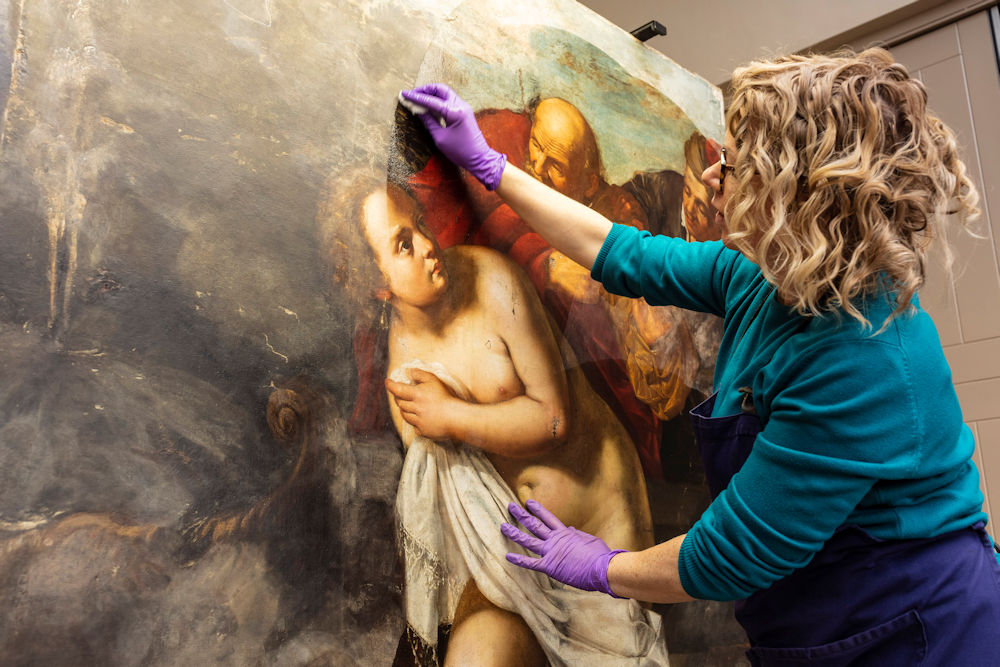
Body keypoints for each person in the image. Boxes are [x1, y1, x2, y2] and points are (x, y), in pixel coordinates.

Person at [401, 47, 1000, 665]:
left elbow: (734, 550)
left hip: (915, 628)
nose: (714, 180)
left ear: (794, 195)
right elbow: (620, 251)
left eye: (734, 169)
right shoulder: (761, 276)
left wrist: (606, 566)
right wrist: (491, 167)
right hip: (812, 618)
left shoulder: (860, 356)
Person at [319, 173, 668, 665]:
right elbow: (447, 496)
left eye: (418, 224)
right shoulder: (398, 364)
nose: (426, 242)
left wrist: (452, 415)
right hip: (506, 563)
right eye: (402, 244)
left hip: (598, 534)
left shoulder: (492, 279)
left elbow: (553, 420)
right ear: (378, 285)